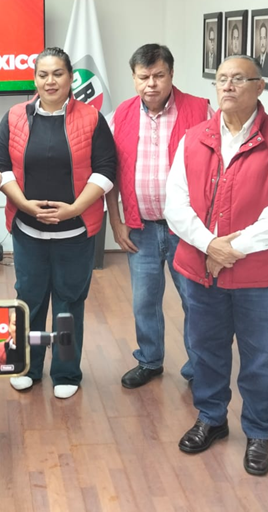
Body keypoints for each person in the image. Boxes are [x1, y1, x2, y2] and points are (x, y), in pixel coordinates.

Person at [165, 55, 268, 477]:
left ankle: (259, 431)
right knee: (205, 349)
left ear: (260, 87)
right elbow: (176, 203)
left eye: (238, 79)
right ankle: (211, 418)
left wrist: (233, 249)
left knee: (259, 357)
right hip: (201, 268)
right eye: (221, 79)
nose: (227, 86)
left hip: (259, 276)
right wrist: (209, 244)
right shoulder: (194, 138)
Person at [0, 47, 116, 400]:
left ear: (71, 78)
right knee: (29, 300)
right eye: (43, 74)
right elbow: (0, 166)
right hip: (28, 230)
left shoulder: (92, 118)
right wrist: (24, 205)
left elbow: (106, 170)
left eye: (58, 74)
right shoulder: (14, 116)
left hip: (75, 232)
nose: (50, 81)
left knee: (69, 302)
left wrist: (74, 209)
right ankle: (27, 367)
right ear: (34, 79)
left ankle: (66, 371)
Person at [106, 45, 211, 389]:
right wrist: (116, 221)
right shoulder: (119, 116)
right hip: (141, 228)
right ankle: (149, 360)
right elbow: (107, 173)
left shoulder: (201, 110)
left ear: (171, 74)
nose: (151, 84)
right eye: (143, 77)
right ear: (134, 78)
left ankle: (200, 368)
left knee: (194, 300)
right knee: (144, 301)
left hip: (188, 230)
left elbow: (218, 168)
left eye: (158, 75)